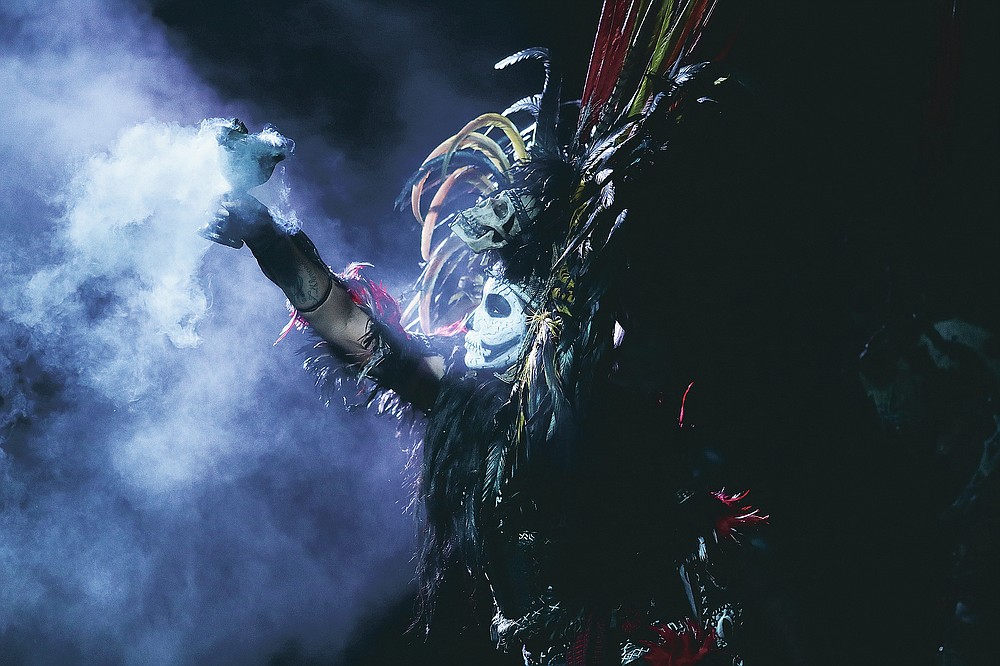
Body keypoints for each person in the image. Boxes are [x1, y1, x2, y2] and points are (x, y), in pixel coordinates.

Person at [210, 3, 765, 663]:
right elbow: (353, 329)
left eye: (504, 305)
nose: (478, 323)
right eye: (483, 306)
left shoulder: (595, 394)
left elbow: (588, 319)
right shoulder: (462, 401)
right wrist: (264, 233)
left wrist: (567, 221)